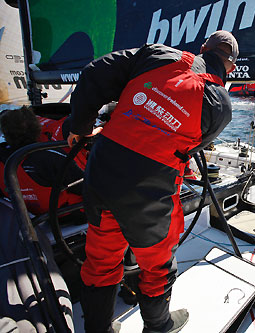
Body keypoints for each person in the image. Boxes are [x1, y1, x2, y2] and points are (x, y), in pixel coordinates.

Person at [68, 30, 238, 333]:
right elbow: (188, 148)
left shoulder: (158, 55)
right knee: (157, 265)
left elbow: (94, 73)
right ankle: (159, 326)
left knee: (101, 258)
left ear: (203, 48)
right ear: (231, 68)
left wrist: (80, 127)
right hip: (149, 194)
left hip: (103, 172)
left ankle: (98, 328)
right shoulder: (220, 106)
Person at [0, 106, 84, 217]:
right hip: (66, 213)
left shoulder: (4, 159)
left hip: (31, 214)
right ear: (37, 127)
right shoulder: (51, 156)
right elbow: (86, 186)